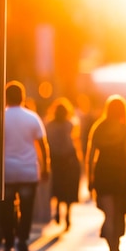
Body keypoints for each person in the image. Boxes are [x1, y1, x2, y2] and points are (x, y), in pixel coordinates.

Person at [86, 94, 126, 251]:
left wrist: (90, 178)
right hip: (120, 174)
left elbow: (90, 156)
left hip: (102, 172)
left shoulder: (98, 128)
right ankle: (115, 250)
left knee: (109, 214)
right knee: (118, 214)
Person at [0, 81, 50, 251]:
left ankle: (8, 241)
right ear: (22, 97)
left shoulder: (0, 117)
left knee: (6, 208)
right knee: (27, 209)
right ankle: (22, 239)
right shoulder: (32, 117)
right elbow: (42, 145)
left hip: (6, 172)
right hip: (28, 170)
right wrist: (46, 168)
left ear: (6, 97)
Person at [45, 97, 82, 230]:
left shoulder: (49, 125)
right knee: (69, 188)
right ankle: (67, 214)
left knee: (57, 186)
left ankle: (57, 211)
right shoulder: (70, 124)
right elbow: (75, 141)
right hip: (69, 159)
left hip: (55, 159)